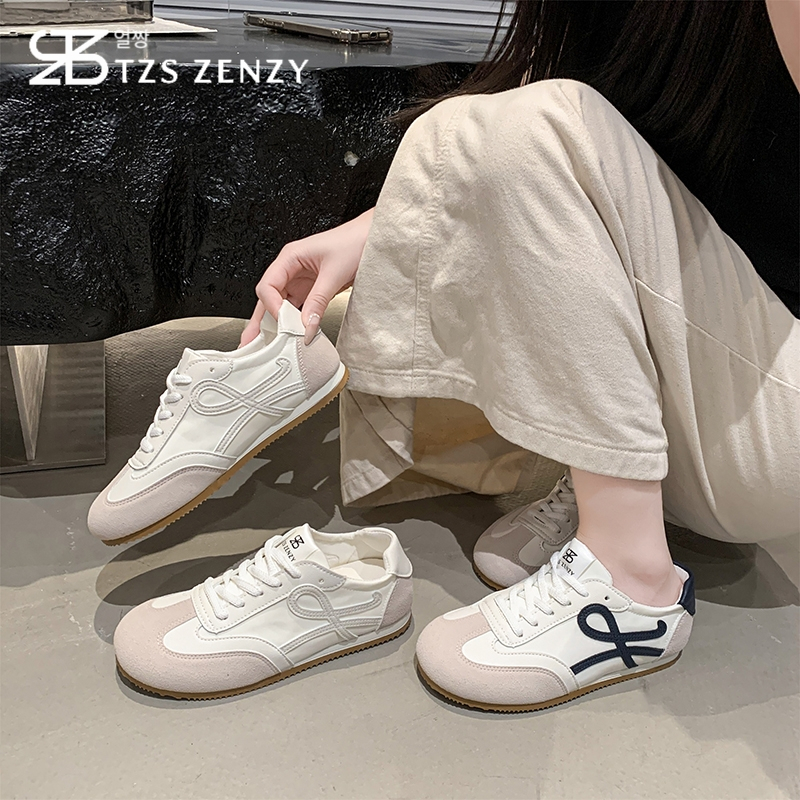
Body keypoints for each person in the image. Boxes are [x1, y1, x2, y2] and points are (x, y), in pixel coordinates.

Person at [237, 0, 800, 711]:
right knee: (484, 128)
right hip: (722, 407)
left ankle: (632, 582)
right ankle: (610, 491)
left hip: (774, 413)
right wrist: (369, 233)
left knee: (524, 124)